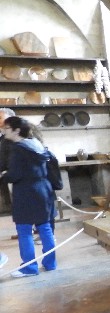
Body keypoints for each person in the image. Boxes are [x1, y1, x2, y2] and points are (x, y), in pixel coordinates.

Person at [1, 116, 56, 277]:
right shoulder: (36, 144)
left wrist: (4, 175)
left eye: (7, 128)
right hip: (43, 189)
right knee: (45, 228)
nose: (4, 131)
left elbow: (15, 174)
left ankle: (30, 267)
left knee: (24, 230)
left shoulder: (18, 148)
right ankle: (50, 263)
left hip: (26, 192)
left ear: (17, 130)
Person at [0, 107, 16, 211]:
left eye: (0, 117)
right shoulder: (3, 137)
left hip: (20, 178)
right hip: (8, 176)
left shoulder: (19, 136)